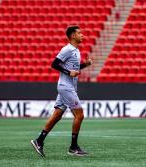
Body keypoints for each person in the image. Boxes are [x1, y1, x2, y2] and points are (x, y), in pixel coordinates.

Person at [31, 25, 92, 157]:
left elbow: (73, 68)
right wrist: (68, 72)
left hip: (67, 87)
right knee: (79, 115)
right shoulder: (67, 49)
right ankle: (73, 147)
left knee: (57, 114)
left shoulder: (76, 50)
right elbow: (54, 64)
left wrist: (84, 65)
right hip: (66, 87)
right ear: (73, 36)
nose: (83, 35)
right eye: (80, 33)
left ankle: (39, 141)